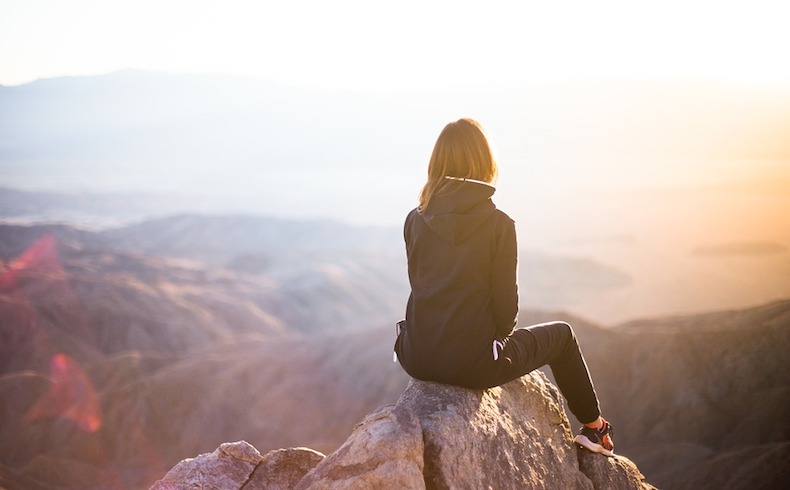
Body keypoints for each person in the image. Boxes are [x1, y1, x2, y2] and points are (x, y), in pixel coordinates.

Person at [393, 117, 614, 456]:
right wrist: (489, 344)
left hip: (415, 355)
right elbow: (506, 313)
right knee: (564, 336)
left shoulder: (414, 218)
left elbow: (422, 286)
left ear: (436, 163)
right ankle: (594, 428)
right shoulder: (499, 225)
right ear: (485, 162)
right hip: (474, 365)